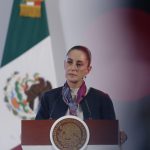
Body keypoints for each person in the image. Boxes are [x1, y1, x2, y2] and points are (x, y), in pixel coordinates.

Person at [35, 45, 116, 120]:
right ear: (64, 64)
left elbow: (110, 132)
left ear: (88, 70)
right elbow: (37, 131)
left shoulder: (102, 99)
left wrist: (119, 134)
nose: (73, 68)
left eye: (79, 64)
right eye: (69, 62)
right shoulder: (48, 98)